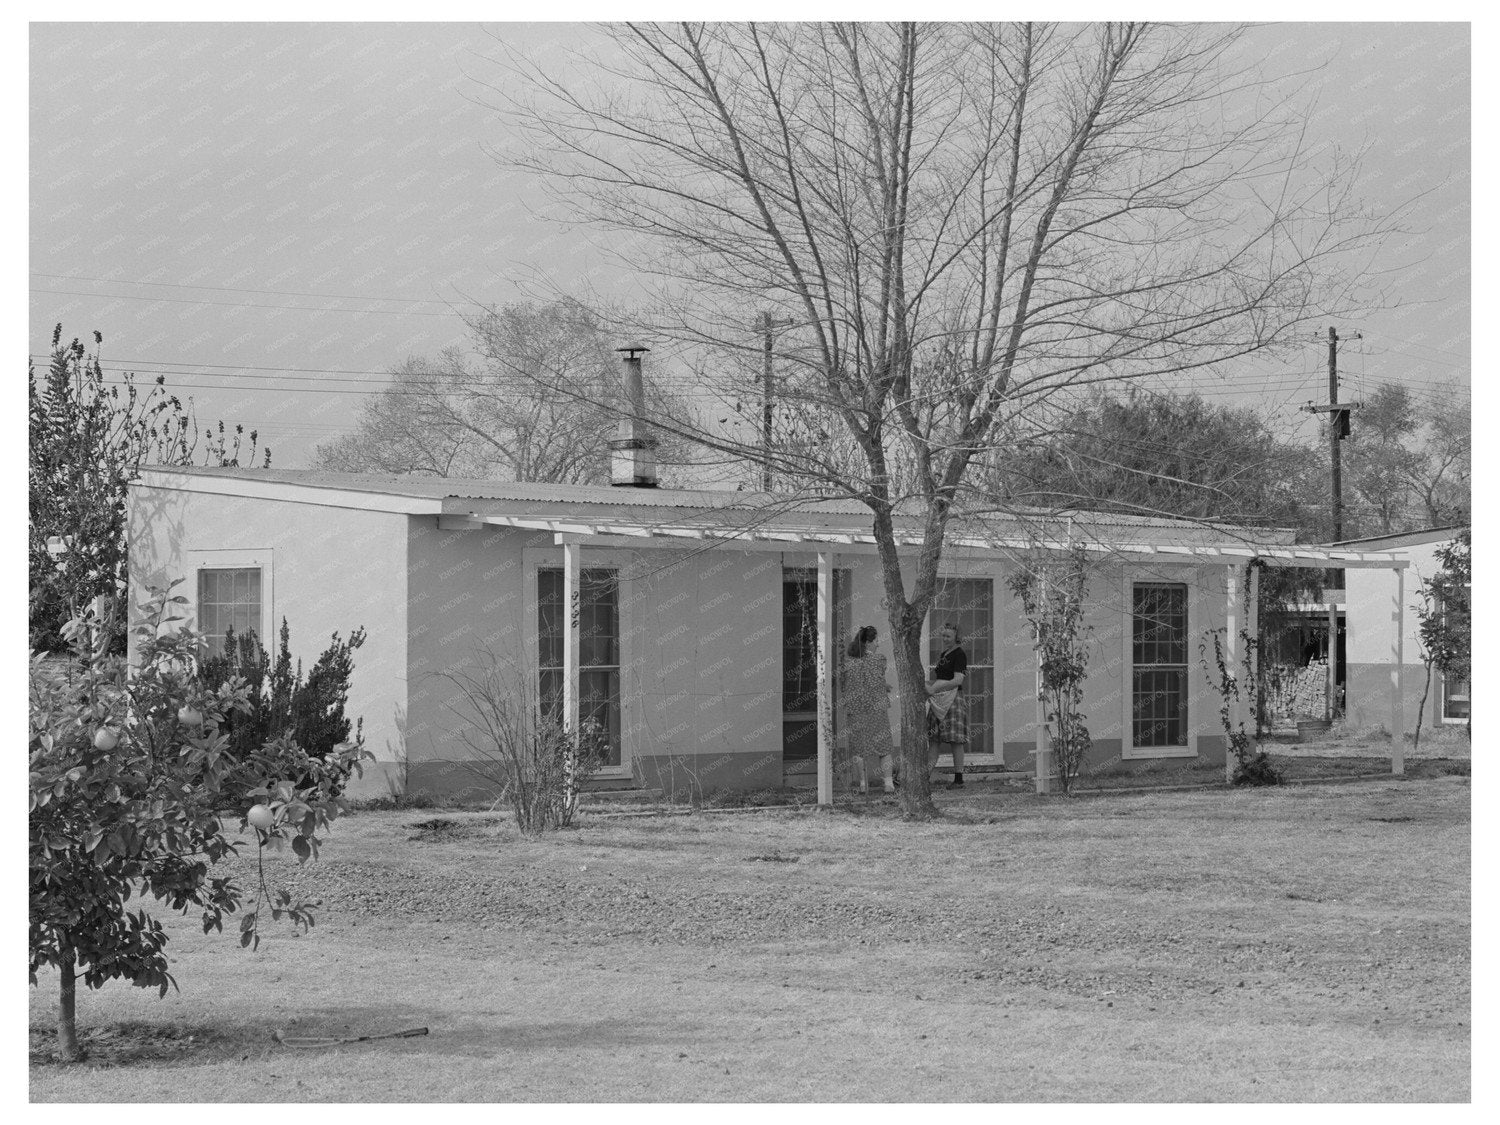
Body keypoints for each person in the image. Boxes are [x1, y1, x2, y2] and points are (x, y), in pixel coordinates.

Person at [841, 624, 896, 794]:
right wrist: (884, 686)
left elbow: (852, 684)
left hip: (856, 709)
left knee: (859, 748)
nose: (878, 644)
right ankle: (888, 784)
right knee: (884, 746)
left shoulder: (849, 664)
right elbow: (876, 678)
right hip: (877, 709)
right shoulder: (879, 659)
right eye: (876, 640)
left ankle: (864, 785)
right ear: (868, 643)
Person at [927, 622, 969, 788]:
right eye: (943, 635)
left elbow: (958, 680)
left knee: (955, 740)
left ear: (956, 637)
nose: (944, 639)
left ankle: (958, 779)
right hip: (938, 699)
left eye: (948, 636)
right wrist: (931, 686)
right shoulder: (944, 653)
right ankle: (925, 777)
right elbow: (940, 677)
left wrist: (936, 687)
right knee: (934, 739)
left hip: (953, 699)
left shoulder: (959, 654)